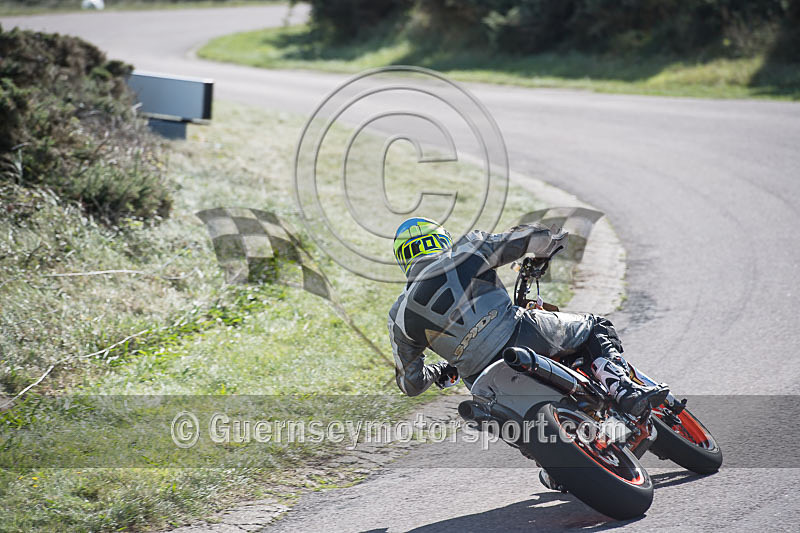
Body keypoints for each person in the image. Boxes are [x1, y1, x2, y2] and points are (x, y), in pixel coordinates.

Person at [388, 217, 669, 418]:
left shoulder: (398, 315)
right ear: (441, 240)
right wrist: (549, 243)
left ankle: (548, 464)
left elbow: (410, 385)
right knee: (595, 326)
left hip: (479, 379)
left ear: (403, 259)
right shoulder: (466, 249)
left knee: (507, 424)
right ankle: (622, 387)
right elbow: (526, 240)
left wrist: (438, 370)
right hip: (522, 333)